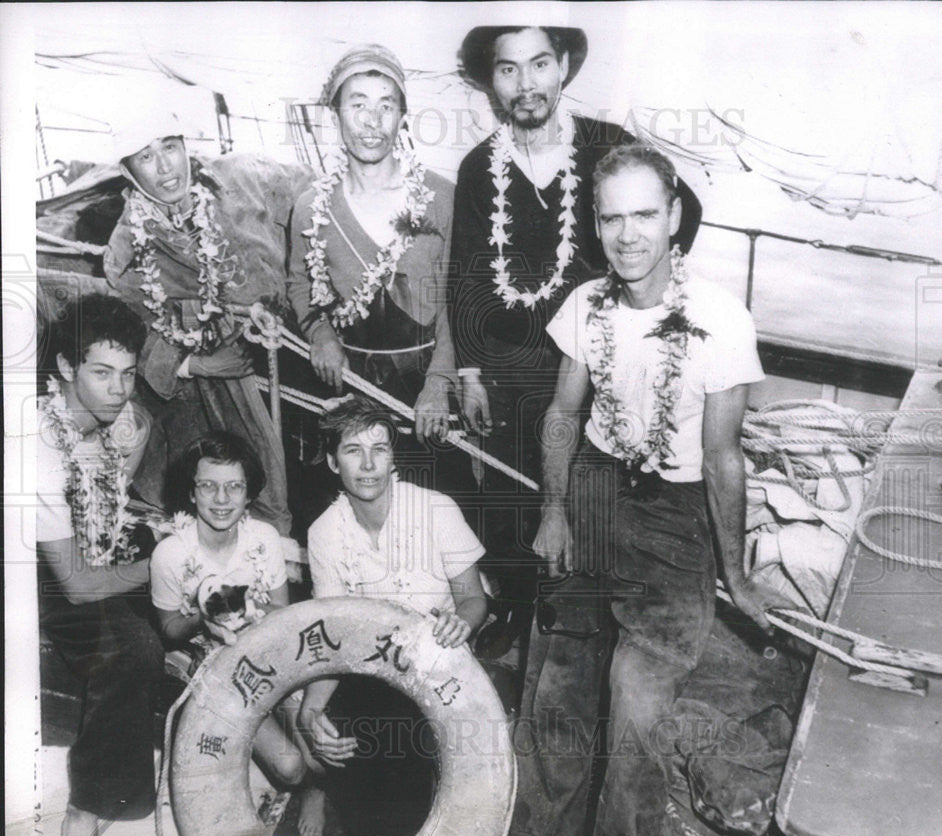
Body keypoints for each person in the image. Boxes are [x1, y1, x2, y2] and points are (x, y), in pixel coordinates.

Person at [510, 143, 776, 836]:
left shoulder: (722, 321)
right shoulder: (584, 304)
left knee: (637, 717)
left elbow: (723, 460)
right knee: (559, 697)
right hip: (592, 492)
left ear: (675, 217)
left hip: (675, 520)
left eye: (645, 215)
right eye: (612, 218)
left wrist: (738, 577)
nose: (629, 235)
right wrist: (554, 512)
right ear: (595, 226)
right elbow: (564, 414)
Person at [449, 25, 703, 645]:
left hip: (590, 365)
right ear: (492, 82)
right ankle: (518, 608)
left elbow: (682, 209)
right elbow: (466, 274)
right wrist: (472, 371)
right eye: (508, 70)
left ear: (563, 67)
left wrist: (636, 299)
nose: (526, 84)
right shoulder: (479, 168)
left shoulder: (606, 146)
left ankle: (586, 618)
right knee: (510, 491)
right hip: (509, 369)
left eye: (539, 64)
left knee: (588, 498)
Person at [104, 105, 315, 536]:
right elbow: (129, 330)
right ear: (128, 172)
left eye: (170, 147)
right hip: (205, 378)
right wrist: (196, 364)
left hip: (289, 339)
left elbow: (314, 195)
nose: (165, 167)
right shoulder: (126, 249)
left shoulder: (240, 177)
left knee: (310, 460)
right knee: (229, 482)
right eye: (145, 157)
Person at [296, 396, 488, 836]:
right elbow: (334, 636)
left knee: (410, 768)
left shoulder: (435, 508)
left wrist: (460, 625)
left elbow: (474, 600)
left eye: (380, 449)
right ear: (330, 460)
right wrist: (309, 711)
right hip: (372, 680)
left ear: (393, 457)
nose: (368, 464)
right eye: (353, 450)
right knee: (353, 744)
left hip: (441, 670)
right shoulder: (324, 533)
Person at [287, 44, 472, 496]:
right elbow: (299, 283)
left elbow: (457, 297)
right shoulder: (312, 208)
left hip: (427, 391)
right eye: (358, 105)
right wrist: (321, 335)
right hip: (351, 387)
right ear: (336, 117)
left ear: (402, 117)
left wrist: (439, 383)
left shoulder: (441, 197)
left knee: (439, 513)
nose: (372, 122)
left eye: (386, 106)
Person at [36, 293, 162, 836]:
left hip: (90, 553)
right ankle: (85, 808)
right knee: (133, 647)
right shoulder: (37, 443)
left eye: (129, 374)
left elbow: (136, 434)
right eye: (101, 373)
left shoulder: (124, 420)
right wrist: (155, 564)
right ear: (65, 367)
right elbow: (79, 587)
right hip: (34, 578)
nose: (119, 389)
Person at [149, 433, 311, 814]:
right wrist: (203, 619)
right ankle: (281, 780)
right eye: (208, 486)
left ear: (248, 492)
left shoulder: (264, 539)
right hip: (209, 668)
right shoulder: (169, 554)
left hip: (266, 656)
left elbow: (281, 615)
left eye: (234, 487)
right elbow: (170, 630)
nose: (222, 500)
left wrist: (252, 611)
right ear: (191, 492)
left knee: (319, 749)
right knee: (290, 766)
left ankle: (314, 792)